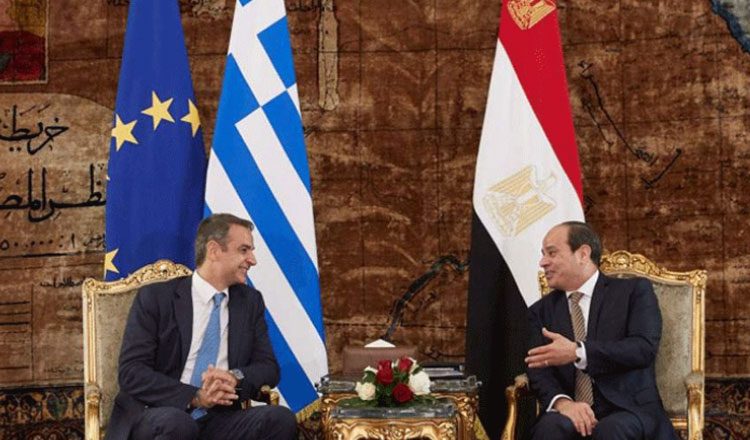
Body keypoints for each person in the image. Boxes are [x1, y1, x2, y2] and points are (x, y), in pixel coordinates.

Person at [105, 213, 297, 440]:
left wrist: (234, 377)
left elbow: (268, 367)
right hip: (160, 412)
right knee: (178, 424)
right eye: (244, 250)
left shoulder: (249, 302)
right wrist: (194, 397)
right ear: (214, 250)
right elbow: (132, 372)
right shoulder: (157, 298)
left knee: (280, 419)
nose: (252, 260)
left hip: (219, 418)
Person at [524, 221, 678, 440]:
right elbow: (537, 369)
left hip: (628, 407)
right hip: (571, 408)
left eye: (552, 253)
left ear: (583, 254)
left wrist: (578, 352)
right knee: (550, 428)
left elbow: (643, 348)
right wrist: (563, 403)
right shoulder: (540, 311)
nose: (543, 262)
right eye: (543, 254)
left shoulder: (633, 292)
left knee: (611, 430)